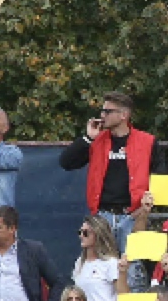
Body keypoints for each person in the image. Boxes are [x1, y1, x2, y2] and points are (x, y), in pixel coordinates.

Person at [57, 91, 153, 242]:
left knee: (132, 264)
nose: (102, 115)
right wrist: (88, 138)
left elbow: (159, 178)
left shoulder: (147, 141)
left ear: (124, 115)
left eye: (108, 111)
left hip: (134, 216)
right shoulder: (96, 140)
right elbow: (66, 163)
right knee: (102, 264)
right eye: (102, 111)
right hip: (102, 218)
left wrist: (143, 211)